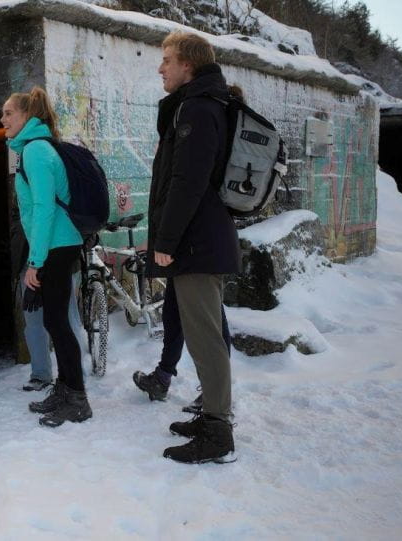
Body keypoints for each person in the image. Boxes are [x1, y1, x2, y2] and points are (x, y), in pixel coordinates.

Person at [145, 31, 241, 464]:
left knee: (205, 338)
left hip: (196, 242)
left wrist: (165, 241)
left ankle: (218, 433)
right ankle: (212, 419)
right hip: (199, 238)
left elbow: (187, 181)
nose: (161, 67)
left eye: (167, 59)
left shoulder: (199, 109)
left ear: (189, 65)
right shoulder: (198, 106)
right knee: (204, 334)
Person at [2, 87, 90, 427]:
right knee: (55, 321)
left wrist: (35, 261)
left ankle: (78, 398)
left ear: (27, 116)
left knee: (58, 322)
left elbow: (43, 208)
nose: (3, 120)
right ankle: (66, 389)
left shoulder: (36, 151)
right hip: (57, 243)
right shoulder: (36, 148)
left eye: (9, 113)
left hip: (56, 244)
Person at [10, 210, 85, 392]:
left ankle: (74, 375)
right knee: (33, 319)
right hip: (29, 260)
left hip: (59, 259)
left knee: (66, 318)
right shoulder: (25, 187)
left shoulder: (54, 182)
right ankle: (40, 373)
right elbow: (19, 215)